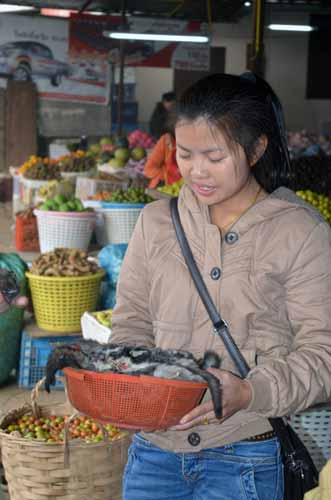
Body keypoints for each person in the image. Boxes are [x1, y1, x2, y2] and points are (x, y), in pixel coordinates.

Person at [111, 72, 331, 500]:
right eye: (187, 154)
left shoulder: (301, 232)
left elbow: (324, 354)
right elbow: (131, 322)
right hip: (153, 456)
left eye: (214, 156)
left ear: (256, 148)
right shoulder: (157, 223)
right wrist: (128, 389)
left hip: (244, 459)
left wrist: (252, 391)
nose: (197, 171)